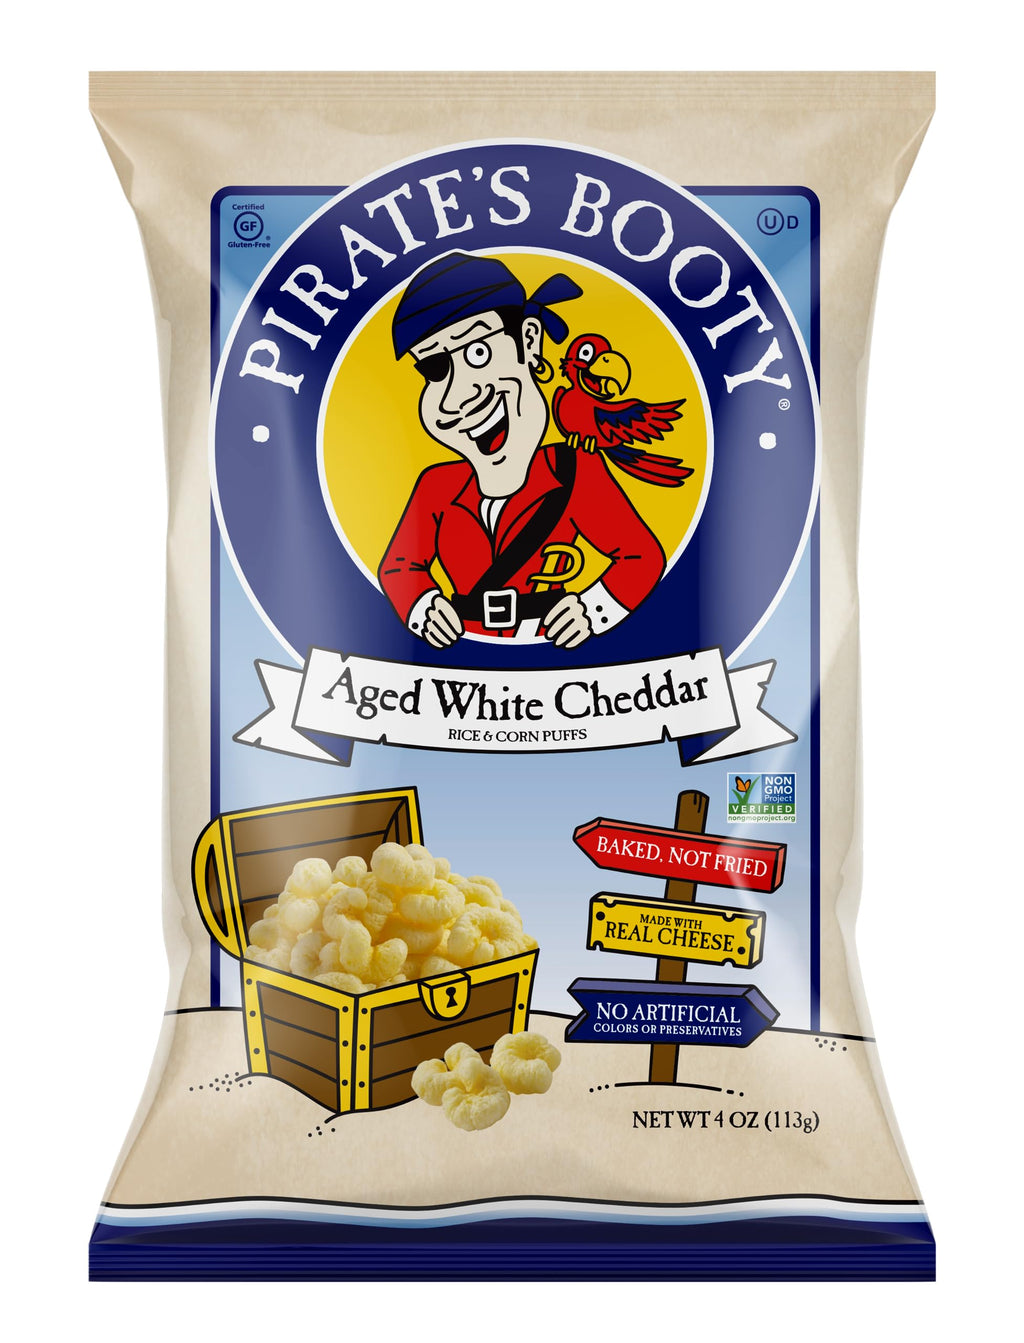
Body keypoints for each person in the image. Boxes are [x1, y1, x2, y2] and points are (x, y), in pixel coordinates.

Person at [378, 251, 666, 649]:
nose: (459, 396)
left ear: (529, 341)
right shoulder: (436, 486)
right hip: (464, 649)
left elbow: (641, 556)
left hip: (550, 643)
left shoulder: (573, 470)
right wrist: (424, 605)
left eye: (478, 352)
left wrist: (591, 609)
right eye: (435, 369)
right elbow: (398, 566)